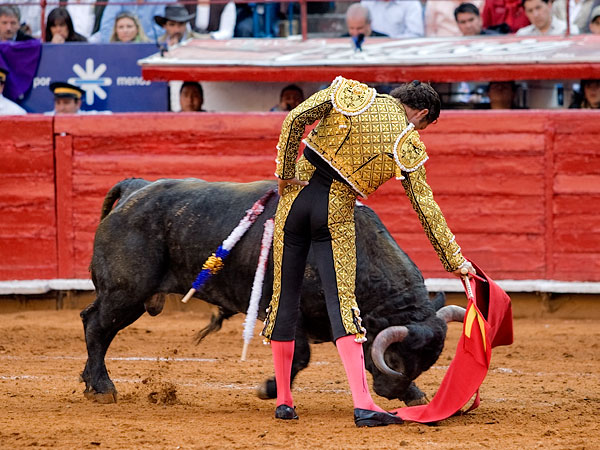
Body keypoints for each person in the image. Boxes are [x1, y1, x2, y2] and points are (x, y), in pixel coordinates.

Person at [261, 77, 475, 427]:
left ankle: (285, 401)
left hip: (293, 202)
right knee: (342, 304)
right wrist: (455, 261)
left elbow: (294, 118)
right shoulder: (407, 141)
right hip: (334, 210)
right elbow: (426, 208)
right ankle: (363, 405)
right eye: (423, 124)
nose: (419, 129)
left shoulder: (351, 92)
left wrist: (284, 172)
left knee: (284, 298)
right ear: (420, 113)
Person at [99, 0, 176, 43]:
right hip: (119, 43)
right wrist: (111, 47)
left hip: (154, 42)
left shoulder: (165, 1)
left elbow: (164, 27)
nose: (125, 30)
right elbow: (106, 26)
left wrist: (144, 42)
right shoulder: (116, 1)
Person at [360, 0, 425, 38]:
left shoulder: (411, 3)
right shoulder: (367, 2)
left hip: (401, 54)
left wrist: (389, 42)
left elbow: (415, 35)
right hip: (369, 53)